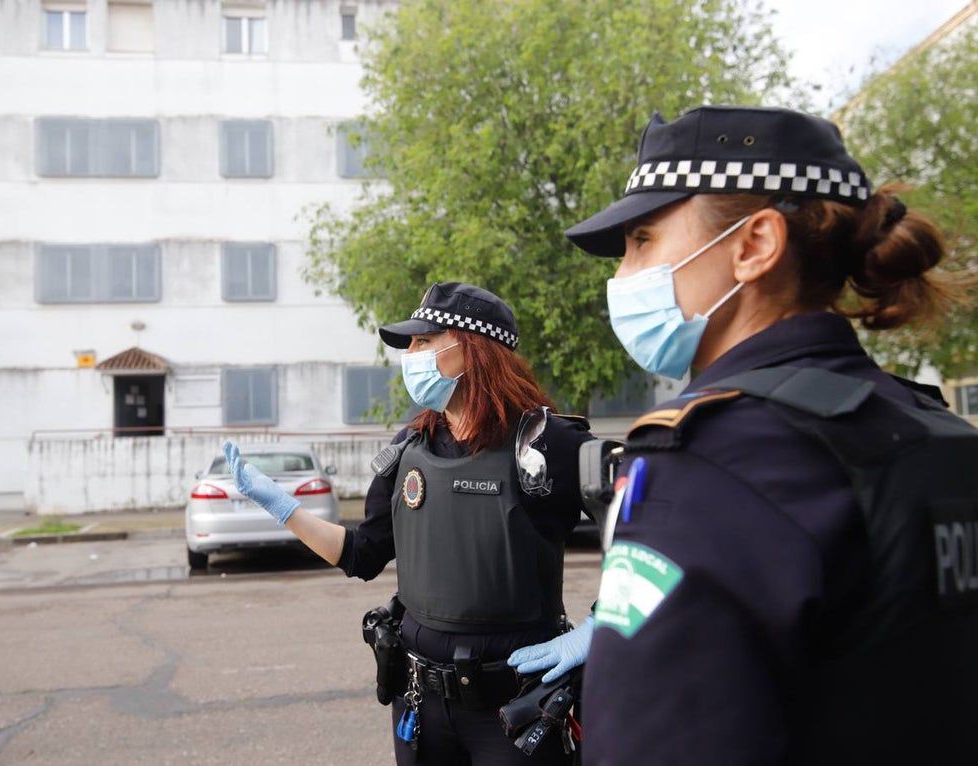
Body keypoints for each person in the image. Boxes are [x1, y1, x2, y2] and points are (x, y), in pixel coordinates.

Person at [512, 104, 978, 764]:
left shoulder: (713, 461)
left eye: (642, 240)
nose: (620, 276)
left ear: (754, 245)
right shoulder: (931, 427)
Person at [224, 281, 596, 765]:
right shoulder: (409, 447)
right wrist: (284, 508)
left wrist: (603, 625)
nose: (411, 354)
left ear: (474, 349)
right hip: (421, 700)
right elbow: (362, 554)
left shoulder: (546, 443)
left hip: (516, 706)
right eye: (410, 344)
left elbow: (654, 518)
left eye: (425, 340)